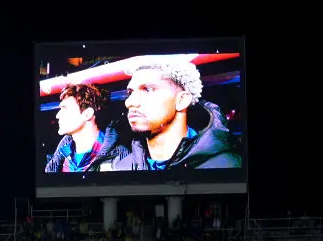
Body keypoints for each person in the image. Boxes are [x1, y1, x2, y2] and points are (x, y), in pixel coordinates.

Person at [107, 58, 242, 171]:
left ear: (182, 100)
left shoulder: (227, 166)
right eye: (130, 93)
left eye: (148, 89)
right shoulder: (122, 167)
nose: (129, 102)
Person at [45, 83, 128, 173]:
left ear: (87, 114)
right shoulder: (61, 155)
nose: (57, 115)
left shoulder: (121, 158)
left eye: (64, 109)